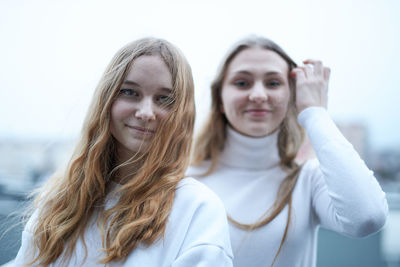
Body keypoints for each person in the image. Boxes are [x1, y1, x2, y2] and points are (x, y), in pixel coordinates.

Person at [14, 37, 233, 267]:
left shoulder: (198, 210)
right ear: (106, 100)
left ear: (182, 113)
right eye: (130, 92)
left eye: (164, 99)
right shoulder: (58, 202)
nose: (146, 112)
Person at [188, 36, 388, 267]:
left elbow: (368, 217)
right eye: (242, 83)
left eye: (273, 83)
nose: (258, 95)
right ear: (220, 99)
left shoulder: (308, 179)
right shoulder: (187, 180)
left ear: (292, 96)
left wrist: (315, 112)